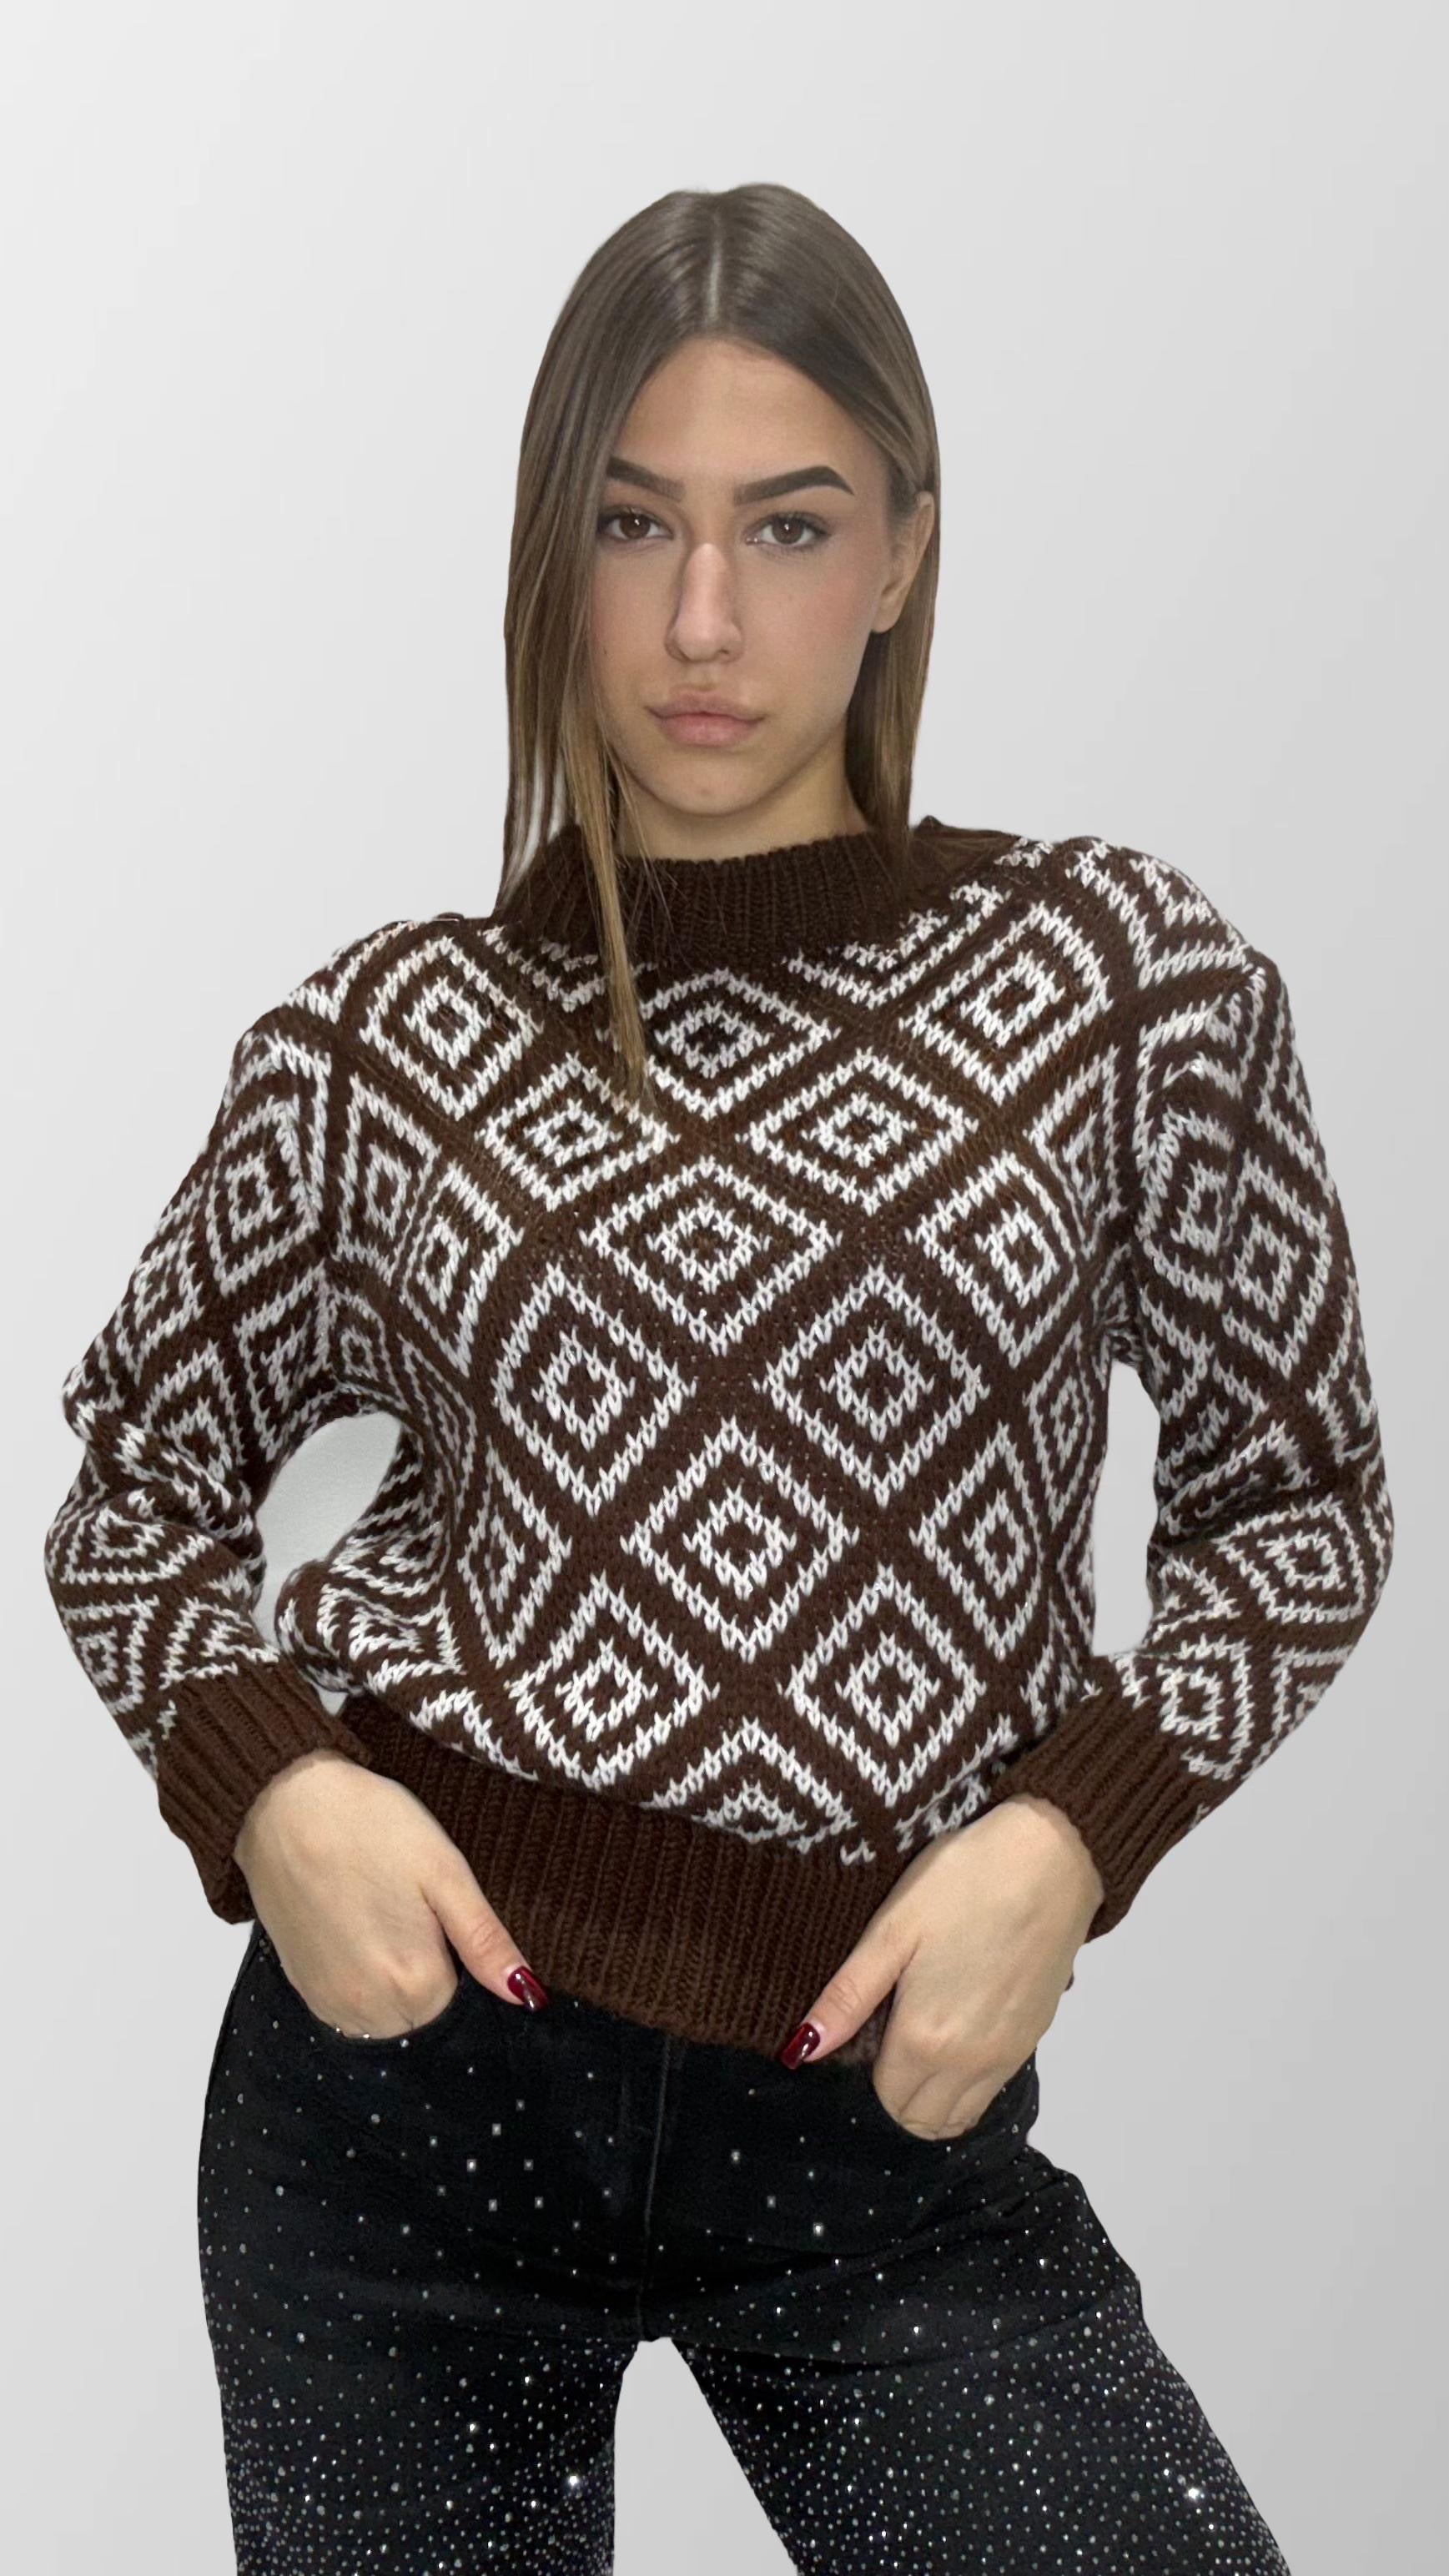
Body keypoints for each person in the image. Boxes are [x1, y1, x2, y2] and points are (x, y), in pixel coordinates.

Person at [43, 182, 1393, 2574]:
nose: (700, 620)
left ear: (901, 554)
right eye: (629, 522)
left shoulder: (1122, 982)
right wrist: (274, 1790)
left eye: (786, 526)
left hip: (879, 2117)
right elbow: (131, 1492)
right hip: (403, 2105)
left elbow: (1295, 1508)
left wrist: (1070, 1836)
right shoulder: (383, 1043)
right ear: (547, 553)